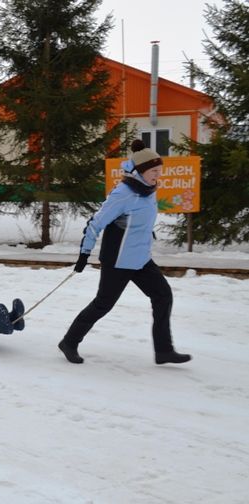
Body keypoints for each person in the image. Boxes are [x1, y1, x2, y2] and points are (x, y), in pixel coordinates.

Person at [58, 143, 192, 366]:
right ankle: (69, 342)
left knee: (163, 295)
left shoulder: (147, 190)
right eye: (154, 171)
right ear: (140, 171)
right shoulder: (123, 194)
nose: (159, 175)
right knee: (103, 304)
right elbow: (95, 223)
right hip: (118, 261)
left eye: (160, 171)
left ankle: (164, 350)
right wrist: (84, 254)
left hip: (140, 258)